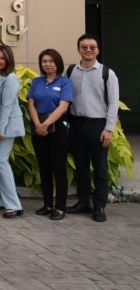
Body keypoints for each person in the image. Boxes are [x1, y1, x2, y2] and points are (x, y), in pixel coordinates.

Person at [66, 34, 120, 223]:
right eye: (84, 47)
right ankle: (83, 202)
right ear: (79, 49)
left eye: (92, 47)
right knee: (81, 166)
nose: (88, 50)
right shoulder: (71, 71)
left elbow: (113, 103)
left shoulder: (107, 73)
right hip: (77, 124)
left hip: (98, 125)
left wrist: (109, 129)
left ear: (97, 50)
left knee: (100, 168)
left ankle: (99, 205)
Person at [28, 48, 73, 220]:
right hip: (39, 128)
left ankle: (60, 207)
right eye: (44, 61)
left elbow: (63, 106)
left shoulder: (64, 83)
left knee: (58, 168)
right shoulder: (36, 81)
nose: (47, 64)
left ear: (57, 63)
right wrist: (38, 124)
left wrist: (46, 123)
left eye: (51, 61)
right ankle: (47, 204)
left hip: (57, 129)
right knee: (44, 167)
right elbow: (31, 104)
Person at [0, 44, 25, 218]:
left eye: (2, 58)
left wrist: (0, 130)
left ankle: (14, 205)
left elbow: (7, 106)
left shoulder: (11, 78)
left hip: (6, 127)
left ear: (8, 60)